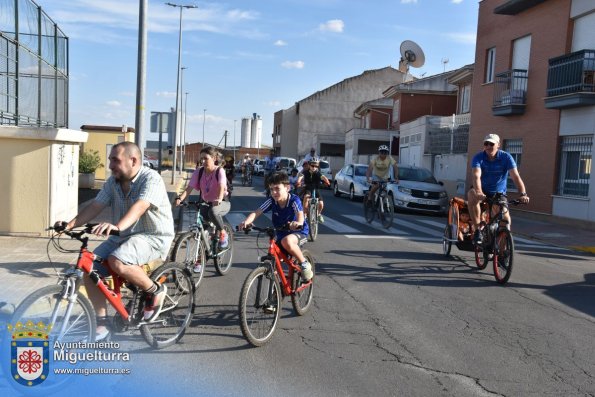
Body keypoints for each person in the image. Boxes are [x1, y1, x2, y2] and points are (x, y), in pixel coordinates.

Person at [56, 142, 174, 340]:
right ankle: (102, 324)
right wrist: (69, 225)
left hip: (153, 236)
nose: (110, 165)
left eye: (115, 160)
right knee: (89, 268)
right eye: (110, 159)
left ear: (133, 161)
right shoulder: (113, 182)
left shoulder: (150, 178)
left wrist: (118, 226)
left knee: (117, 261)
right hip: (124, 236)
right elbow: (95, 206)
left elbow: (141, 205)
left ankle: (155, 290)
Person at [238, 172, 312, 281]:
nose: (274, 192)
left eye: (277, 188)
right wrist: (247, 222)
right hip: (281, 233)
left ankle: (304, 263)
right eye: (271, 189)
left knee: (286, 242)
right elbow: (257, 212)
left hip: (298, 232)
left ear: (287, 188)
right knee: (273, 258)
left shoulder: (294, 200)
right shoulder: (272, 201)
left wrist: (298, 223)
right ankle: (276, 288)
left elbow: (300, 216)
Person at [468, 133, 530, 245]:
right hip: (481, 190)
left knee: (506, 220)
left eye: (491, 144)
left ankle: (503, 253)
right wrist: (479, 192)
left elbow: (515, 177)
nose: (488, 146)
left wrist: (523, 194)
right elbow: (476, 176)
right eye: (485, 143)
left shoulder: (506, 157)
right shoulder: (478, 157)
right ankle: (477, 230)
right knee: (472, 195)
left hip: (498, 193)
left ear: (498, 145)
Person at [175, 146, 231, 256]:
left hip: (222, 202)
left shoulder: (219, 171)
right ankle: (200, 260)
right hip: (206, 203)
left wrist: (219, 199)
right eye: (202, 159)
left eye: (206, 158)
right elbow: (189, 188)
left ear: (214, 158)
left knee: (213, 212)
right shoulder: (199, 172)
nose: (203, 161)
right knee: (202, 232)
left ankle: (223, 233)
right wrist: (179, 199)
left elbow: (221, 185)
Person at [298, 158, 331, 223]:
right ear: (309, 165)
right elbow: (301, 176)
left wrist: (327, 182)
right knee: (306, 197)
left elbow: (323, 177)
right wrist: (298, 181)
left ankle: (318, 214)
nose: (314, 167)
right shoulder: (306, 172)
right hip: (308, 188)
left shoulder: (317, 172)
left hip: (316, 189)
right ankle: (304, 214)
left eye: (316, 166)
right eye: (313, 166)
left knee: (321, 204)